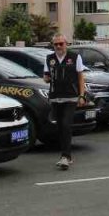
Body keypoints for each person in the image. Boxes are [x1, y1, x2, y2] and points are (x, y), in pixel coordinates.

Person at [44, 35, 89, 170]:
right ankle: (65, 154)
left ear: (66, 44)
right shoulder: (49, 58)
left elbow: (81, 78)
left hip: (71, 97)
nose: (58, 46)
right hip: (55, 97)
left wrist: (82, 95)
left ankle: (66, 156)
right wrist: (46, 78)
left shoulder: (75, 57)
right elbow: (46, 77)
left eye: (61, 44)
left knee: (66, 124)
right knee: (60, 127)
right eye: (56, 44)